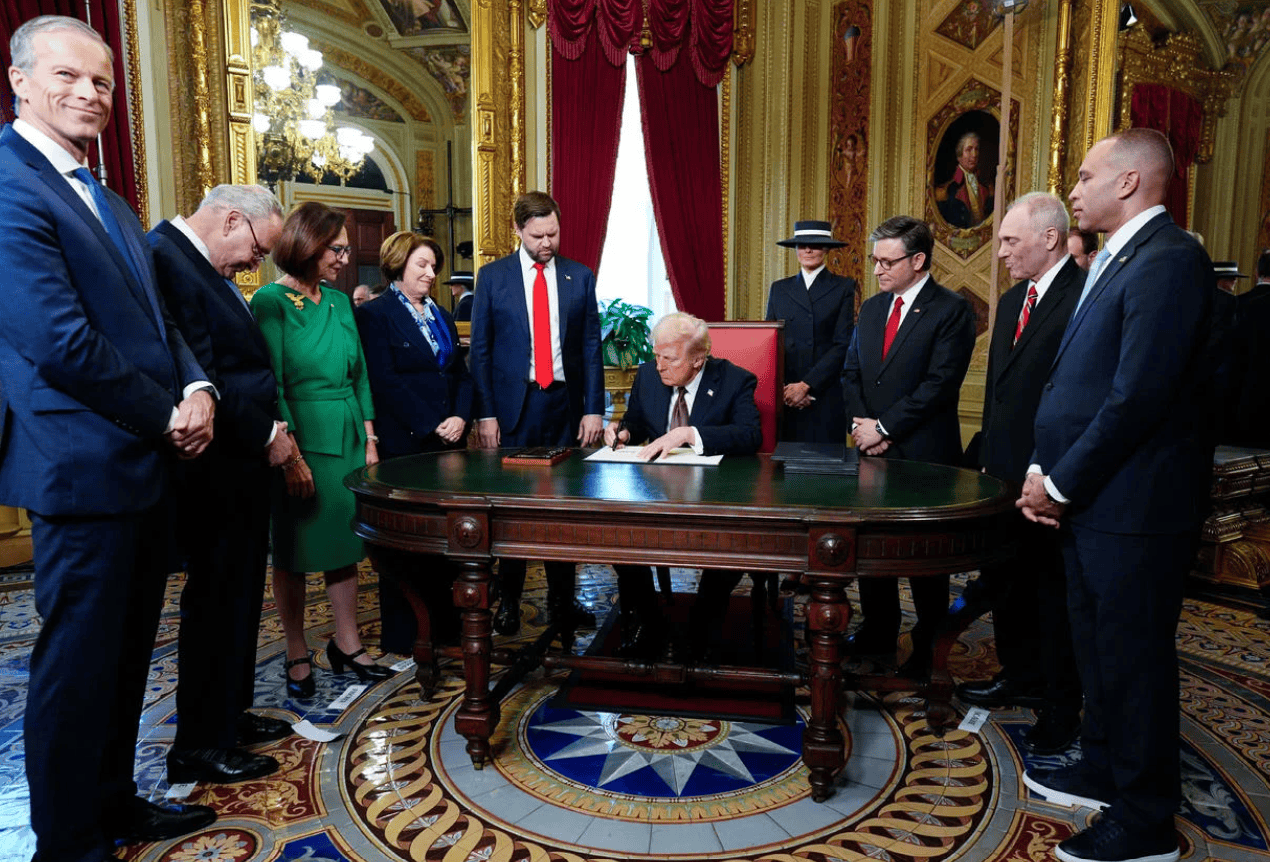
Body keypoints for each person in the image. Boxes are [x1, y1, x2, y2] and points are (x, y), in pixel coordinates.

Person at [0, 15, 218, 859]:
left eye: (100, 83)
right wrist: (166, 413)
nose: (88, 94)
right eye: (67, 77)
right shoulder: (12, 184)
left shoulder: (108, 196)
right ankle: (67, 839)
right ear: (19, 80)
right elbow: (59, 340)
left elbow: (160, 320)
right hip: (80, 464)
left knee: (128, 657)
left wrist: (196, 384)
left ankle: (115, 802)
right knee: (76, 667)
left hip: (141, 465)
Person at [1019, 128, 1214, 862]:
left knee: (1133, 662)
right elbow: (1074, 385)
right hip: (1092, 500)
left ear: (1130, 182)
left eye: (1085, 174)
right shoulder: (1115, 257)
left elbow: (1139, 397)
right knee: (1098, 652)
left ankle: (1145, 818)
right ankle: (1103, 765)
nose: (1074, 188)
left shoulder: (1170, 261)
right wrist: (1046, 471)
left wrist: (1060, 482)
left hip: (1135, 508)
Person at [149, 184, 297, 785]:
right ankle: (200, 743)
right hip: (215, 468)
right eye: (257, 250)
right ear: (232, 218)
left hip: (239, 466)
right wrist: (266, 433)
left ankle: (228, 717)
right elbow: (201, 374)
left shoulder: (199, 265)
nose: (253, 264)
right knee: (213, 605)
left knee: (236, 600)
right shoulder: (167, 258)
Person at [957, 193, 1083, 754]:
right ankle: (1018, 672)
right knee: (1008, 581)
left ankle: (1058, 698)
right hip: (1004, 471)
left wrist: (1049, 475)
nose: (1000, 251)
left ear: (1050, 239)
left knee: (1052, 593)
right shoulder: (1010, 301)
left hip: (1051, 478)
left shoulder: (1083, 298)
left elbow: (1078, 399)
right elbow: (999, 392)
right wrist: (988, 457)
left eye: (1010, 241)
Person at [252, 201, 391, 697]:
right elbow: (274, 383)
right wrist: (290, 453)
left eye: (346, 247)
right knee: (293, 551)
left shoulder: (338, 302)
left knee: (343, 547)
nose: (344, 256)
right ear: (308, 245)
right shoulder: (269, 301)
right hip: (301, 437)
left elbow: (360, 376)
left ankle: (347, 643)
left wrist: (370, 440)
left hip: (349, 434)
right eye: (336, 248)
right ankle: (295, 649)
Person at [842, 215, 976, 677]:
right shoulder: (874, 308)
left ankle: (927, 647)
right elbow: (851, 372)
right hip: (871, 449)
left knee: (924, 559)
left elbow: (940, 384)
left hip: (923, 454)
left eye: (887, 261)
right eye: (874, 260)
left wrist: (884, 427)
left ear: (918, 260)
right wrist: (862, 427)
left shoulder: (952, 310)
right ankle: (879, 631)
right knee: (874, 549)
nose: (877, 270)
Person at [469, 191, 604, 641]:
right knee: (512, 510)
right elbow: (481, 352)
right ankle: (508, 600)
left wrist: (593, 409)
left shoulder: (579, 276)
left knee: (563, 510)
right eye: (538, 235)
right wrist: (485, 414)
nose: (548, 242)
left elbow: (590, 348)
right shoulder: (493, 277)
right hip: (514, 407)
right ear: (518, 231)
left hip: (565, 406)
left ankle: (563, 600)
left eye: (554, 233)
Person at [604, 313, 762, 659]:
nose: (658, 365)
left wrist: (689, 433)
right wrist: (624, 431)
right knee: (617, 533)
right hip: (655, 489)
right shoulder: (647, 375)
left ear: (697, 359)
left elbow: (751, 434)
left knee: (732, 544)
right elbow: (636, 418)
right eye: (656, 354)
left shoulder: (735, 380)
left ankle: (704, 623)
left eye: (668, 358)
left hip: (716, 492)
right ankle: (647, 618)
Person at [356, 231, 472, 654]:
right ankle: (406, 639)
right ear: (398, 265)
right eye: (422, 265)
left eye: (433, 266)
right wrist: (432, 423)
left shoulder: (440, 313)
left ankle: (443, 630)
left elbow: (458, 373)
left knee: (445, 543)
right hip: (407, 446)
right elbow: (383, 383)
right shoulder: (375, 314)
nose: (431, 273)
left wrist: (460, 416)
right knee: (407, 544)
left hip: (448, 446)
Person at [767, 220, 856, 444]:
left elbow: (843, 344)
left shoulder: (843, 287)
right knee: (782, 473)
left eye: (815, 245)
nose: (808, 250)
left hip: (824, 394)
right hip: (786, 396)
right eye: (802, 245)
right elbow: (770, 343)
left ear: (826, 249)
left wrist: (806, 386)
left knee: (824, 470)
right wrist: (786, 390)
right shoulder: (779, 288)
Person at [936, 132, 993, 228]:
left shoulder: (988, 186)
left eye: (976, 149)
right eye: (969, 150)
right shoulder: (945, 190)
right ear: (959, 155)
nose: (974, 155)